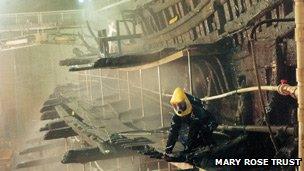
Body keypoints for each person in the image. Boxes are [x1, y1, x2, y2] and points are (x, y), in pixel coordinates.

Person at [164, 87, 218, 160]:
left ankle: (209, 145)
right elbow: (173, 131)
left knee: (197, 125)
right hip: (195, 129)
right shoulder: (177, 115)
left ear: (185, 102)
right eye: (176, 105)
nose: (178, 108)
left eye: (181, 105)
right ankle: (194, 147)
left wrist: (187, 151)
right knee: (183, 135)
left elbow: (211, 123)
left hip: (207, 125)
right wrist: (168, 150)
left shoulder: (198, 110)